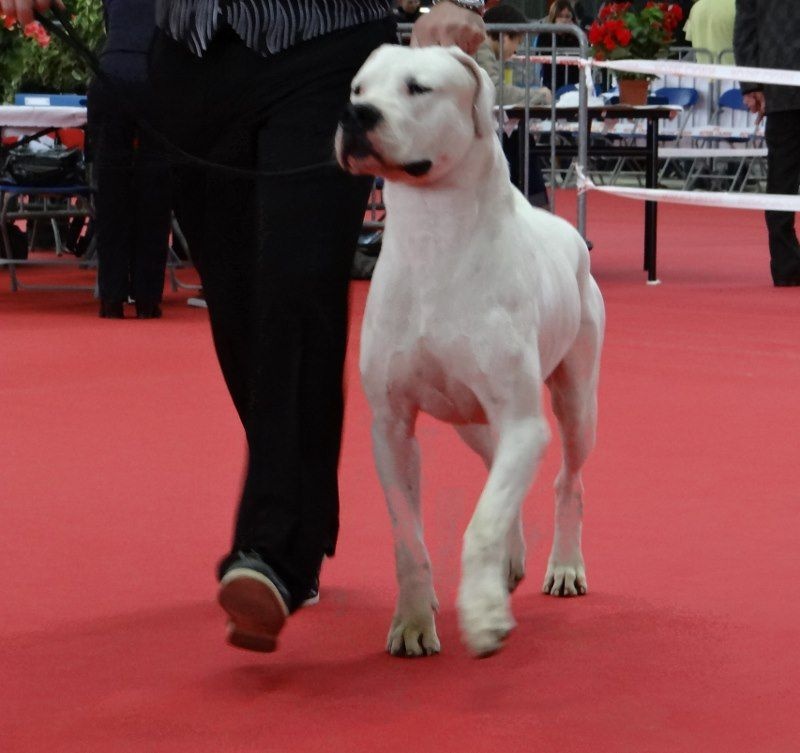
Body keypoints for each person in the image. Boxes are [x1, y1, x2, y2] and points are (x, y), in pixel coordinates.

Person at [2, 0, 487, 652]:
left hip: (323, 45)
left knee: (298, 285)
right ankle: (302, 505)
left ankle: (273, 549)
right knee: (237, 304)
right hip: (190, 60)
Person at [89, 0, 172, 319]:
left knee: (110, 192)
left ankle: (111, 296)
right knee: (155, 192)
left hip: (111, 72)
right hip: (155, 76)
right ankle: (148, 297)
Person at [734, 0, 800, 287]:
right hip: (780, 87)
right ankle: (786, 264)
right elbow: (746, 26)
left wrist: (752, 85)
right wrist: (752, 84)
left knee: (780, 181)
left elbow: (745, 28)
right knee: (780, 183)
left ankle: (786, 265)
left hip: (779, 87)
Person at [476, 3, 552, 208]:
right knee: (521, 144)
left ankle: (534, 207)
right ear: (504, 36)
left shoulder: (485, 50)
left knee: (520, 142)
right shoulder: (480, 47)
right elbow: (498, 93)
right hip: (471, 131)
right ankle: (537, 209)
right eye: (517, 41)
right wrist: (539, 95)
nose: (517, 49)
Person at [536, 0, 581, 92]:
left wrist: (572, 33)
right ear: (553, 18)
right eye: (560, 16)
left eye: (568, 17)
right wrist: (557, 33)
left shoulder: (577, 35)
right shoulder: (545, 34)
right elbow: (540, 54)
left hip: (574, 85)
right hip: (551, 85)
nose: (564, 20)